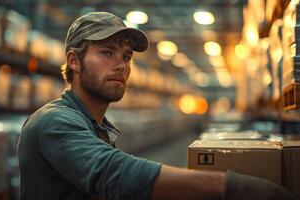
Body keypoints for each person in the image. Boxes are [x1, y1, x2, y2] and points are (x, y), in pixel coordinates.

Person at [17, 12, 297, 200]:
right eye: (106, 52)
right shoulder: (54, 121)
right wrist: (231, 186)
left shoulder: (96, 125)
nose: (121, 65)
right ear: (74, 61)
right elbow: (112, 173)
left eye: (126, 57)